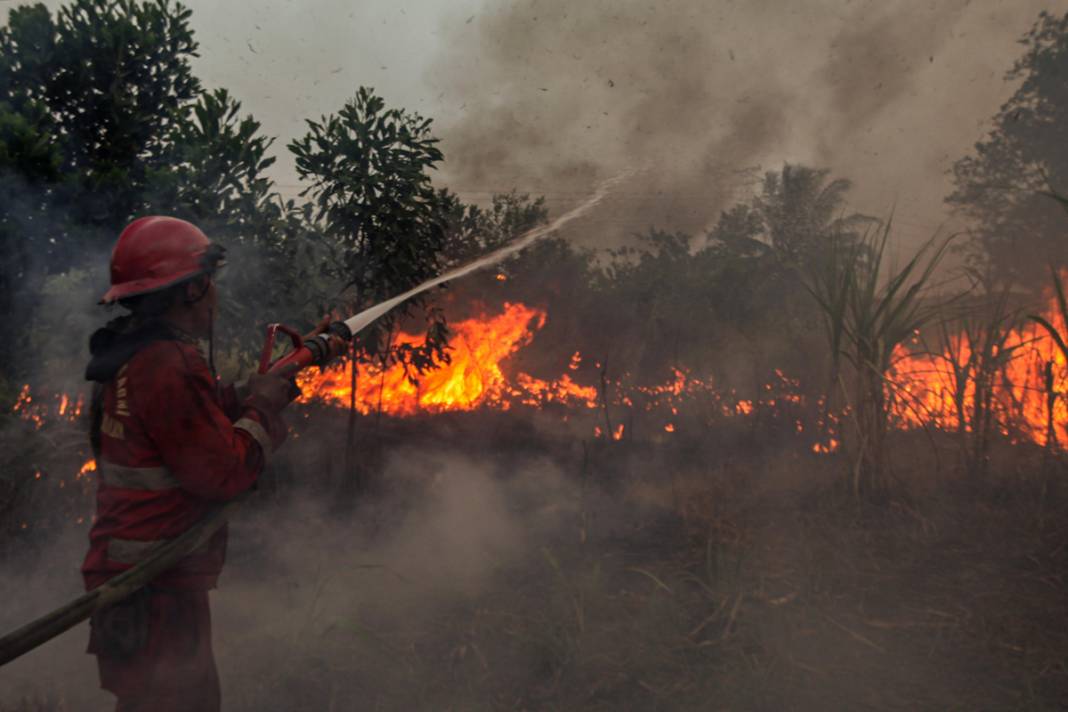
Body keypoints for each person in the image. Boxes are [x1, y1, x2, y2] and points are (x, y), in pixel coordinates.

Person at [81, 216, 341, 711]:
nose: (215, 296)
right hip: (154, 587)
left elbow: (184, 418)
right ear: (194, 287)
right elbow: (222, 474)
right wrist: (262, 410)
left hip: (133, 577)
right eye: (211, 283)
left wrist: (256, 387)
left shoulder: (134, 353)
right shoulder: (169, 365)